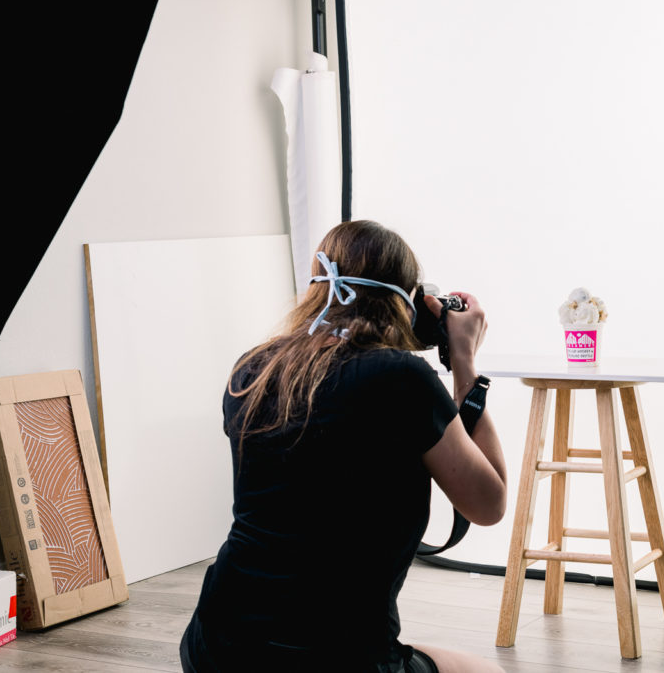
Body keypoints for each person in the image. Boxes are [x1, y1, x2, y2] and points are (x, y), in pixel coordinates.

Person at [179, 220, 507, 673]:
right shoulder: (401, 378)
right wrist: (464, 361)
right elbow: (488, 505)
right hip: (336, 659)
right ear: (409, 303)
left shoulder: (252, 370)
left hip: (215, 646)